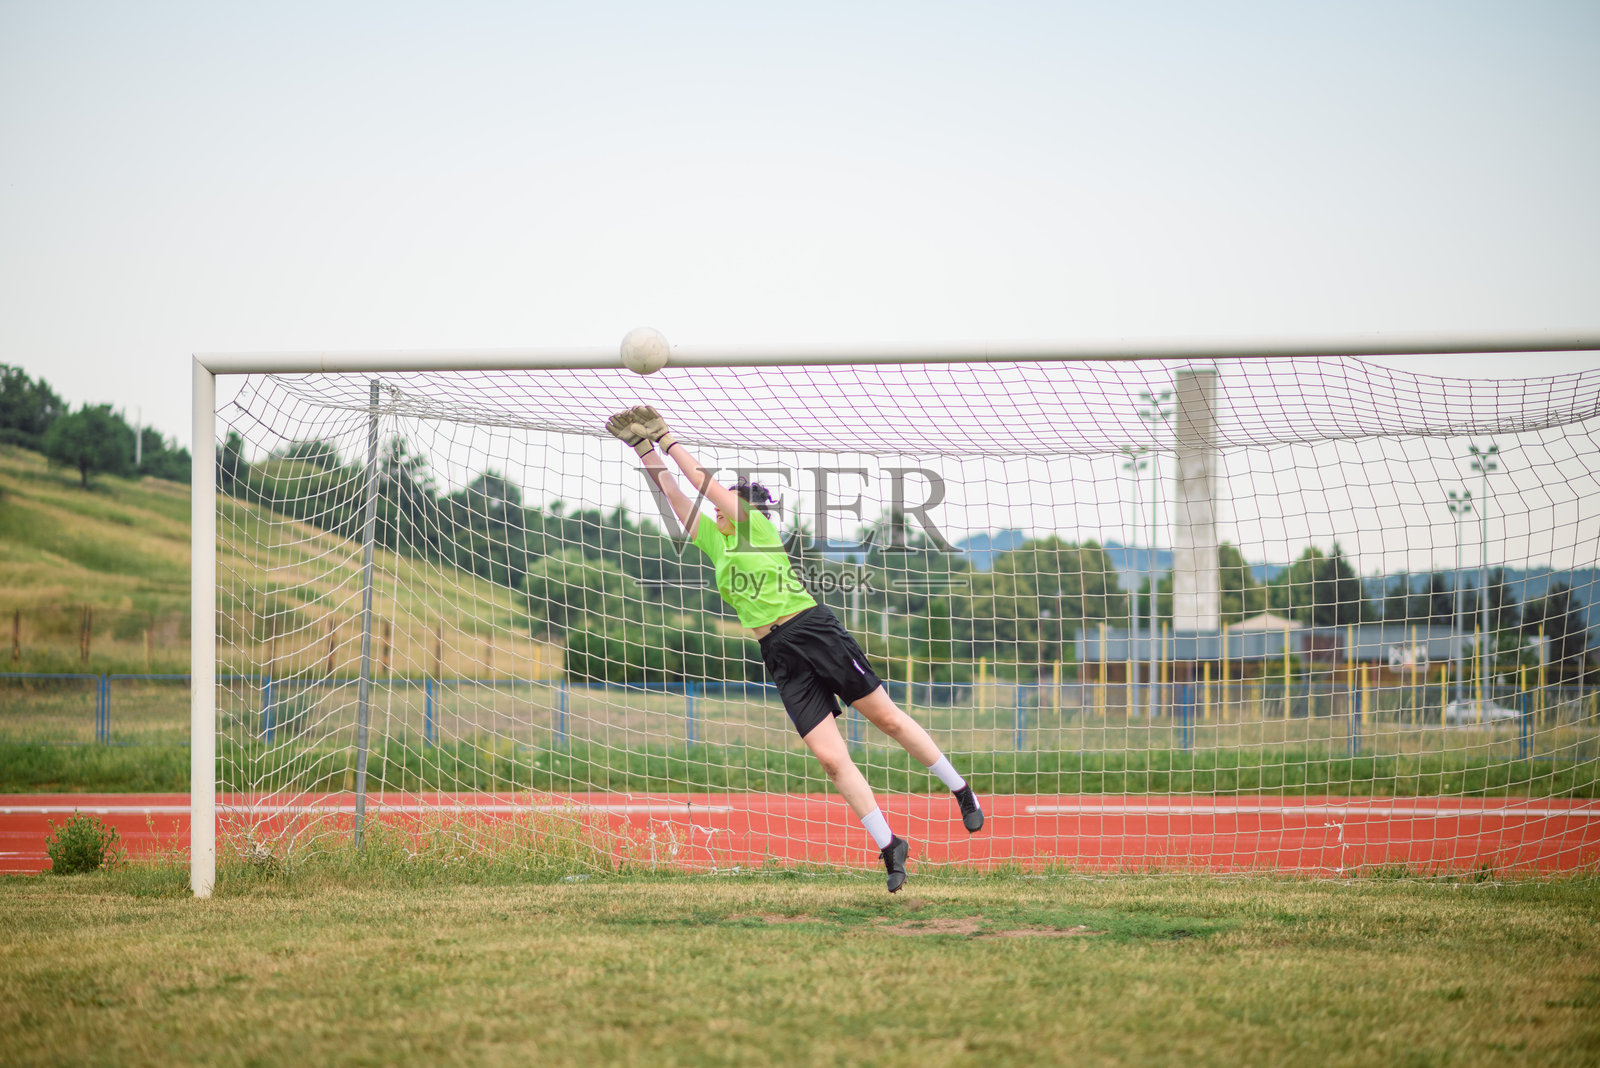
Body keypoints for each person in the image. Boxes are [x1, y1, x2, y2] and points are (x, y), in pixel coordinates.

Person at [606, 404, 983, 892]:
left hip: (812, 630)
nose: (717, 507)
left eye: (727, 501)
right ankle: (890, 845)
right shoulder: (716, 542)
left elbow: (699, 482)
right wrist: (643, 448)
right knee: (830, 760)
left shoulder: (755, 528)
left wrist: (668, 437)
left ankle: (961, 789)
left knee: (887, 719)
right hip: (779, 653)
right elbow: (676, 493)